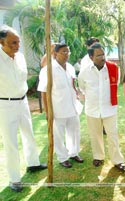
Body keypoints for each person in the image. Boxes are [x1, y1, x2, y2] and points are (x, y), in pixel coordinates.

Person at [0, 25, 47, 192]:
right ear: (1, 42)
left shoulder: (20, 57)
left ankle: (33, 164)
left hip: (23, 101)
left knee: (29, 134)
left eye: (18, 42)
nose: (17, 45)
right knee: (11, 142)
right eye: (13, 43)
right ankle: (15, 179)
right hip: (5, 105)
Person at [78, 43, 125, 171]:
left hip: (109, 108)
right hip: (92, 110)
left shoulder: (113, 68)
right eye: (98, 55)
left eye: (103, 54)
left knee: (113, 135)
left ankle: (117, 160)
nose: (102, 57)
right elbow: (82, 88)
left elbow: (115, 83)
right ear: (91, 57)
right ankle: (98, 157)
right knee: (95, 135)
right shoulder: (84, 73)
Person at [38, 43, 84, 168]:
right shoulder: (48, 70)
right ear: (55, 54)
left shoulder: (70, 67)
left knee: (74, 131)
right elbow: (44, 92)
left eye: (68, 51)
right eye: (63, 51)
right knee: (58, 134)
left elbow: (73, 85)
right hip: (58, 109)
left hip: (73, 106)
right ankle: (63, 157)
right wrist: (48, 112)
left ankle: (74, 152)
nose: (67, 54)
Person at [81, 37, 107, 135]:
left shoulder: (104, 57)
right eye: (94, 44)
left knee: (104, 110)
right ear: (89, 47)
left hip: (104, 91)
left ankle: (104, 127)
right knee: (95, 112)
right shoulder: (85, 60)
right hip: (92, 92)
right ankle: (97, 128)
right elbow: (82, 81)